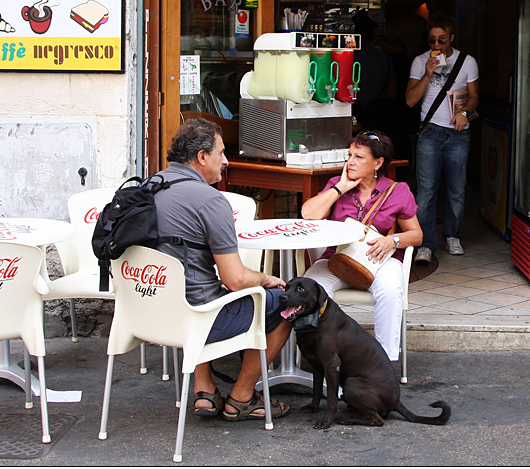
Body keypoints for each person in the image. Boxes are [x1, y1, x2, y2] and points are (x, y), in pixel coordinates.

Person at [152, 119, 292, 421]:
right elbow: (236, 279)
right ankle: (242, 396)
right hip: (196, 318)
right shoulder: (210, 201)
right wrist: (268, 279)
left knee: (198, 285)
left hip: (147, 312)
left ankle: (204, 390)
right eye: (221, 153)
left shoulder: (147, 188)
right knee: (286, 304)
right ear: (202, 157)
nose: (226, 161)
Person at [300, 130, 423, 361]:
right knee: (309, 289)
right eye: (349, 155)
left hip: (378, 260)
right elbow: (308, 214)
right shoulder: (337, 184)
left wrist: (392, 240)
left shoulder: (397, 191)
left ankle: (383, 361)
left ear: (378, 162)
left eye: (359, 157)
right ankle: (321, 357)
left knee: (389, 291)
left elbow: (416, 235)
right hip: (336, 259)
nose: (350, 162)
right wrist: (342, 187)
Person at [405, 14, 479, 261]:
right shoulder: (420, 61)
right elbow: (410, 100)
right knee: (426, 190)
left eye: (442, 40)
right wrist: (427, 74)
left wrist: (465, 113)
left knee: (456, 189)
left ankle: (453, 235)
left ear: (452, 39)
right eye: (432, 40)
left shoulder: (467, 62)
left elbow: (474, 96)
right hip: (430, 133)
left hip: (458, 134)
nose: (436, 46)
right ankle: (426, 243)